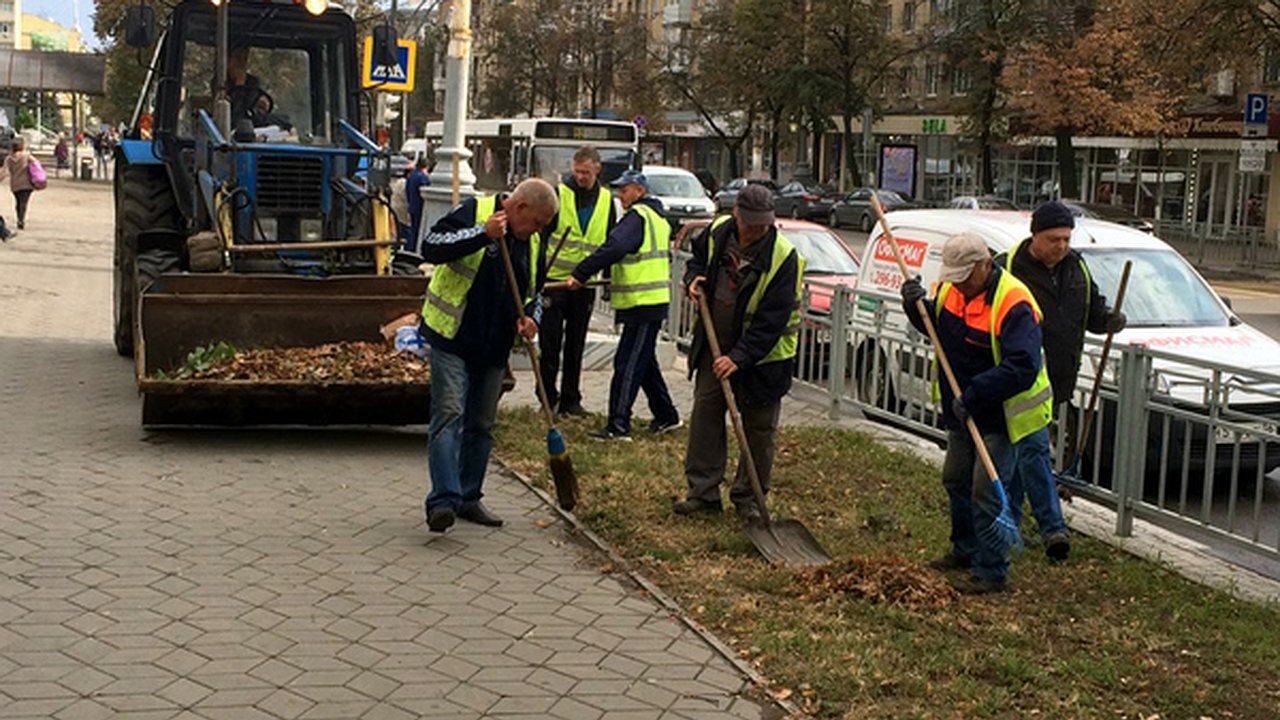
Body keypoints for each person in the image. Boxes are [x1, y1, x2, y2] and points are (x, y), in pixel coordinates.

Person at [901, 232, 1054, 594]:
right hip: (962, 410)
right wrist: (913, 305)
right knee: (956, 480)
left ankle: (992, 569)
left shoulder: (1014, 302)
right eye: (953, 277)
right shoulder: (953, 289)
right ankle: (965, 549)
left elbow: (1022, 366)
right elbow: (935, 327)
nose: (959, 285)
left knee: (986, 492)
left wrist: (975, 394)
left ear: (985, 265)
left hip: (1000, 415)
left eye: (965, 276)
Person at [418, 178, 557, 533]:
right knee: (449, 414)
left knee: (481, 424)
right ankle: (443, 501)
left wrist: (531, 319)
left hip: (493, 346)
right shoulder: (475, 211)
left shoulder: (535, 242)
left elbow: (534, 293)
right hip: (453, 335)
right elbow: (431, 246)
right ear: (520, 207)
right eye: (537, 222)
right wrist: (482, 233)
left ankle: (468, 496)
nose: (538, 230)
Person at [993, 201, 1125, 562]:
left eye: (1066, 238)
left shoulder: (1077, 268)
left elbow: (1089, 312)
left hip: (1059, 379)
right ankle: (1053, 529)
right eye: (1054, 238)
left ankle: (1012, 525)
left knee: (1025, 454)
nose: (1061, 245)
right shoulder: (1006, 267)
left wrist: (1109, 319)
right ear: (1034, 235)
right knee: (1033, 450)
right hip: (1019, 379)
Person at [674, 185, 803, 521]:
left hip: (764, 359)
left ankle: (748, 498)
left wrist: (740, 357)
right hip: (714, 344)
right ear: (737, 215)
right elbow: (697, 260)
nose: (756, 231)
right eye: (751, 224)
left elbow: (772, 321)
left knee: (759, 431)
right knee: (706, 414)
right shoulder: (718, 231)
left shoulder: (783, 258)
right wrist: (693, 279)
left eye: (763, 225)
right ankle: (703, 493)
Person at [565, 170, 680, 440]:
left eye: (624, 189)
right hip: (650, 301)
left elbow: (614, 247)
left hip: (642, 304)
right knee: (645, 362)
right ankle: (667, 415)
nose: (620, 195)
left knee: (627, 364)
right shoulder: (658, 219)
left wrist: (581, 273)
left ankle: (618, 426)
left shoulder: (637, 218)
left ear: (639, 191)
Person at [539, 145, 617, 417]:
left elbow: (610, 242)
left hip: (584, 285)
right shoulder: (559, 195)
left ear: (597, 169)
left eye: (586, 172)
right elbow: (542, 237)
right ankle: (547, 398)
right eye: (577, 171)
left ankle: (571, 399)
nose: (581, 176)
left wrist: (606, 278)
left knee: (576, 344)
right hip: (555, 282)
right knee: (550, 344)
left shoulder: (607, 201)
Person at [0, 138, 36, 229]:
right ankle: (21, 219)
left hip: (15, 184)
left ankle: (19, 218)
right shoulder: (27, 156)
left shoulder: (9, 158)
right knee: (24, 202)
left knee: (18, 202)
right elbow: (36, 164)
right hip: (27, 183)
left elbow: (5, 171)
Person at [406, 157, 431, 248]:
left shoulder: (411, 175)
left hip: (412, 206)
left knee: (413, 229)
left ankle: (410, 248)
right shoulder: (422, 177)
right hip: (419, 207)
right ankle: (414, 248)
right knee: (418, 231)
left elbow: (407, 191)